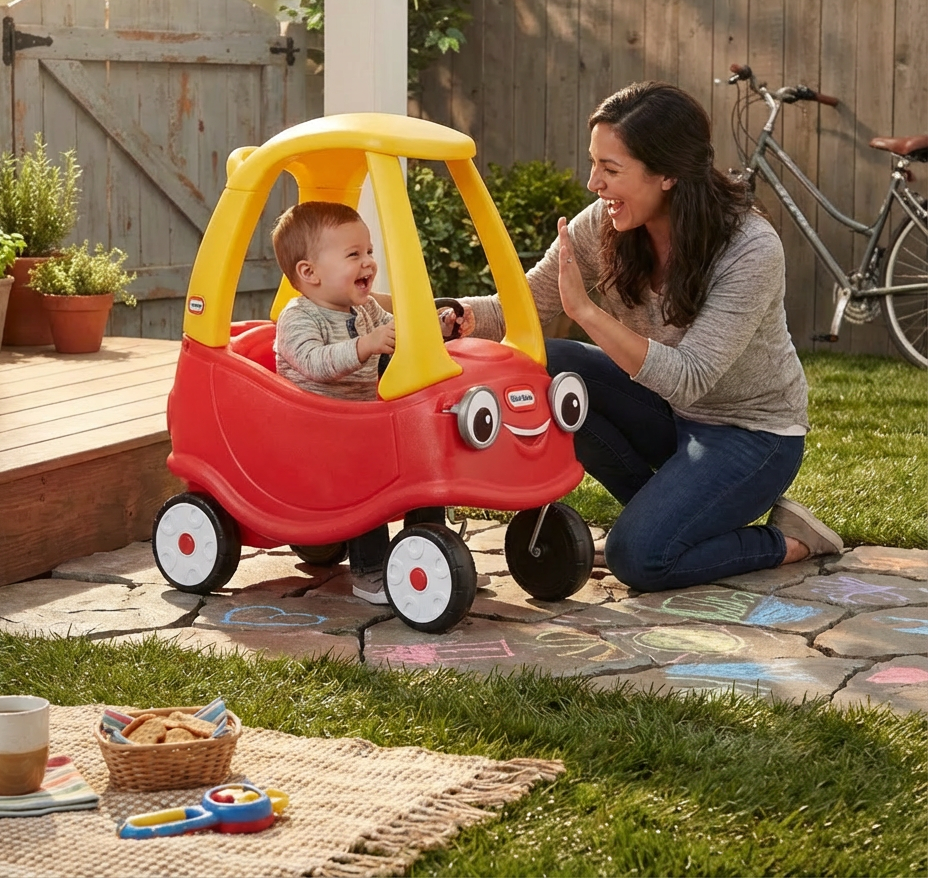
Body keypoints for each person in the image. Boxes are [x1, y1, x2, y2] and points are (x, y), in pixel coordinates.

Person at [458, 81, 843, 592]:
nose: (593, 182)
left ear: (667, 174)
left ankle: (788, 540)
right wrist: (452, 315)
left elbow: (690, 379)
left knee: (639, 560)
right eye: (594, 163)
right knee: (545, 363)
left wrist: (587, 312)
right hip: (667, 411)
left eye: (611, 169)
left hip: (751, 434)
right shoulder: (607, 221)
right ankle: (669, 518)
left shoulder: (749, 248)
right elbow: (527, 304)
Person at [270, 200, 471, 604]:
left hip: (361, 423)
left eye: (369, 252)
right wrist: (364, 347)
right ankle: (370, 570)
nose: (368, 263)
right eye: (353, 254)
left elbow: (398, 332)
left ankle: (435, 554)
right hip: (315, 433)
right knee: (367, 476)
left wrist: (436, 327)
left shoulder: (364, 309)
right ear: (309, 273)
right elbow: (314, 363)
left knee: (422, 463)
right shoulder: (298, 318)